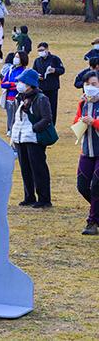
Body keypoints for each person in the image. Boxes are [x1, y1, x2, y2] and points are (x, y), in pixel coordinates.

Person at [10, 68, 53, 208]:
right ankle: (29, 196)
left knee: (38, 169)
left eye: (22, 81)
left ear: (29, 83)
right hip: (21, 138)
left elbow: (47, 118)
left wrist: (34, 129)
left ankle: (44, 198)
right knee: (25, 168)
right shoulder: (20, 97)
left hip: (34, 139)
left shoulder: (41, 98)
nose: (19, 84)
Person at [74, 71, 99, 235]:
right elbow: (75, 121)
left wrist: (94, 122)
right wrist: (80, 122)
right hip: (87, 150)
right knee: (82, 185)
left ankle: (92, 222)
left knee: (96, 185)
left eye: (94, 84)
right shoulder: (83, 103)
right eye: (88, 84)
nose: (90, 87)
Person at [33, 42, 65, 124]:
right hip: (41, 88)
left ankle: (52, 125)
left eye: (42, 50)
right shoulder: (37, 61)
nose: (41, 52)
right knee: (42, 108)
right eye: (39, 50)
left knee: (52, 108)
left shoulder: (55, 59)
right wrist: (37, 77)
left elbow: (62, 70)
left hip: (52, 88)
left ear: (47, 49)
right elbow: (34, 72)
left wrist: (55, 70)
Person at [1, 51, 28, 136]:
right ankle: (9, 129)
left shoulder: (24, 71)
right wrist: (13, 84)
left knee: (18, 115)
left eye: (17, 57)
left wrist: (10, 84)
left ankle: (16, 130)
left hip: (19, 97)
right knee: (10, 115)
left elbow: (21, 86)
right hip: (9, 97)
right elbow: (3, 84)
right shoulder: (10, 70)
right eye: (15, 56)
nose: (15, 59)